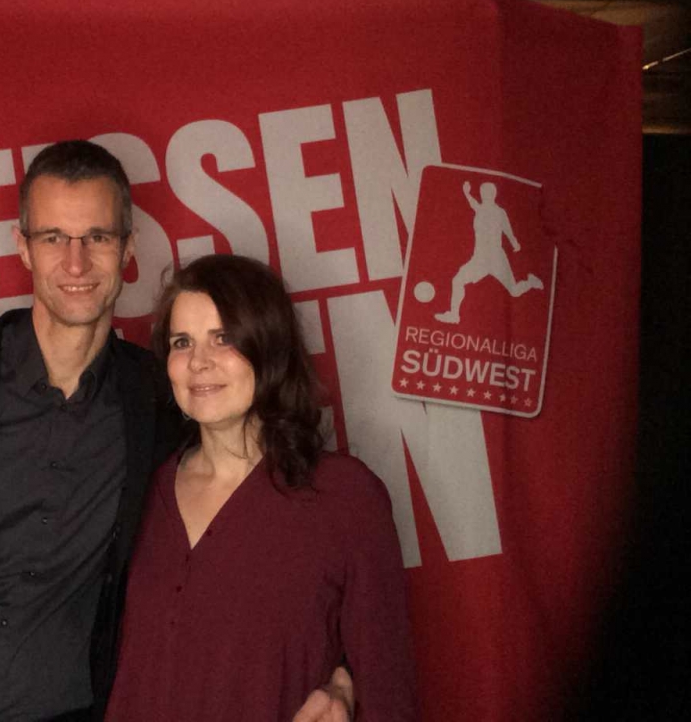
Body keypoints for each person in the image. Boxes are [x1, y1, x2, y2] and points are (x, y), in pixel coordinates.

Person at [0, 141, 353, 722]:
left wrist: (338, 675)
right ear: (23, 247)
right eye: (53, 238)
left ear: (128, 248)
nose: (77, 263)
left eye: (98, 238)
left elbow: (274, 519)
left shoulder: (167, 396)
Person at [105, 254, 418, 722]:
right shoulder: (141, 490)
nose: (199, 362)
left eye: (224, 338)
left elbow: (387, 688)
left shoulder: (346, 497)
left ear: (269, 347)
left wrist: (342, 683)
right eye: (182, 342)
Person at [435, 180, 543, 324]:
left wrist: (514, 243)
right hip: (479, 259)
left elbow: (508, 230)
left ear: (493, 194)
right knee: (457, 280)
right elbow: (473, 204)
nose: (483, 195)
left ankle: (531, 282)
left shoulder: (500, 213)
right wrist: (466, 193)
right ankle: (454, 315)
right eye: (482, 192)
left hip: (496, 258)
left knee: (514, 291)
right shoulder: (480, 209)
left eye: (486, 192)